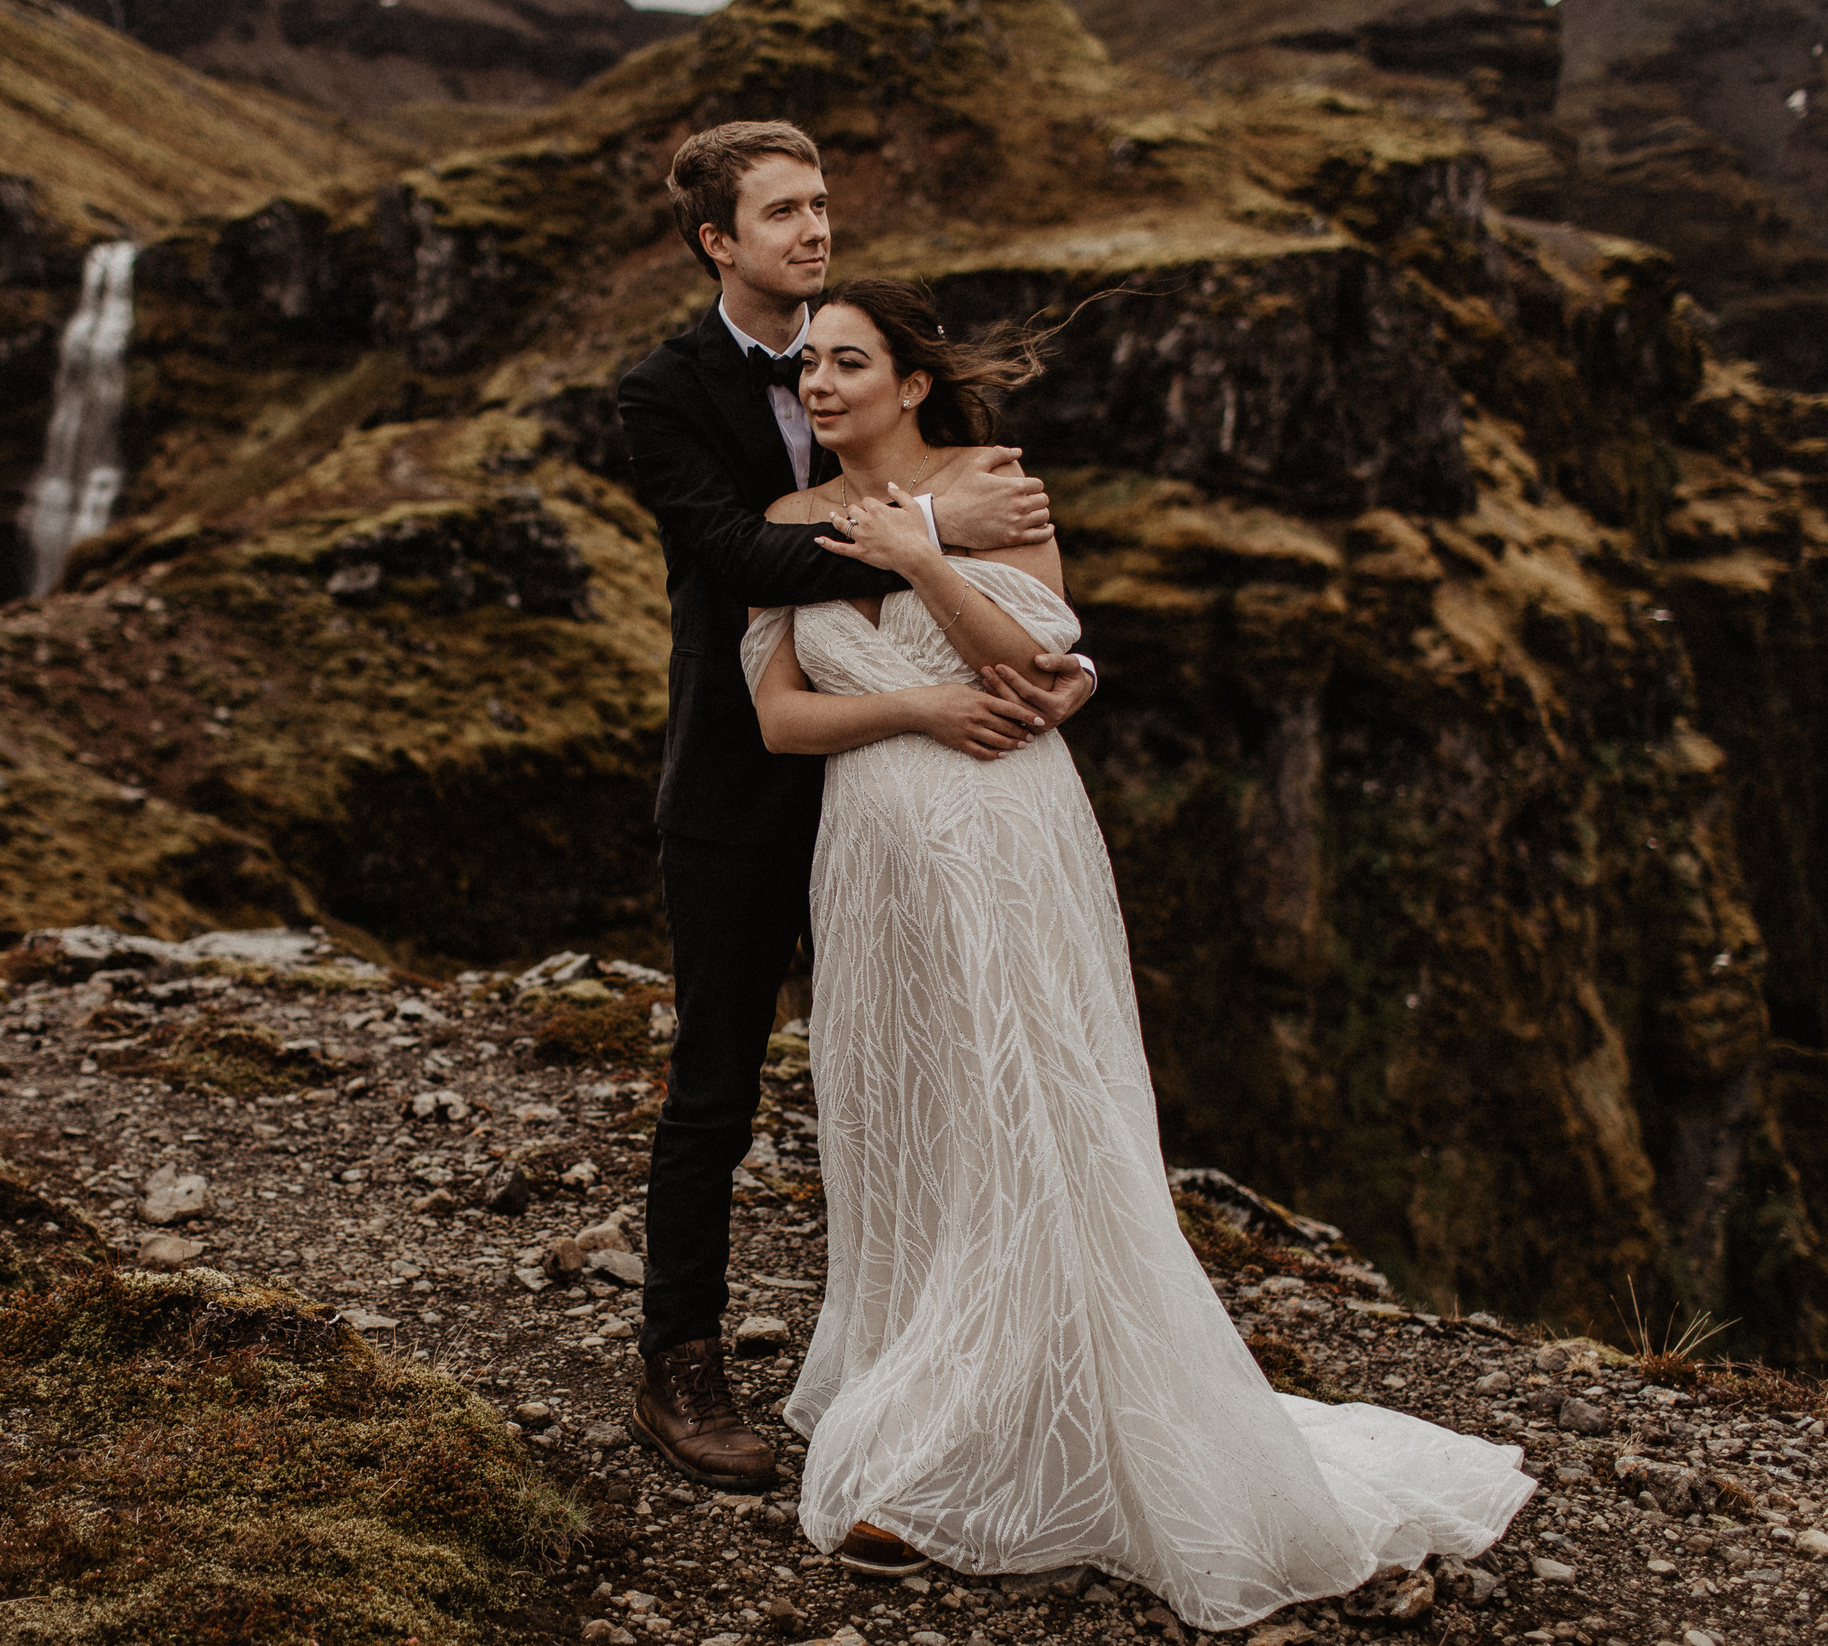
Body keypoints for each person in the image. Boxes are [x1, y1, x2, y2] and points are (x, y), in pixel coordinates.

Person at [740, 277, 1534, 1631]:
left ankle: (969, 1450)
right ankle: (924, 1377)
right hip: (873, 855)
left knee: (1030, 1116)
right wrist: (923, 700)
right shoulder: (782, 523)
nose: (820, 384)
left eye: (850, 363)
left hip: (1006, 838)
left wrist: (930, 560)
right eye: (809, 363)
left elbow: (1041, 665)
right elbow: (777, 721)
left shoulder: (999, 487)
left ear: (912, 383)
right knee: (912, 1117)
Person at [616, 119, 1098, 1493]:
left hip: (929, 813)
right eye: (782, 213)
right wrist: (933, 537)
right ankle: (680, 1363)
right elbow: (726, 550)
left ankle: (958, 1362)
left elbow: (1037, 607)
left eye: (821, 205)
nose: (814, 229)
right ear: (719, 240)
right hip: (747, 781)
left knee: (936, 1077)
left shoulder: (882, 375)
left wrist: (1064, 667)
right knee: (717, 1081)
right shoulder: (662, 391)